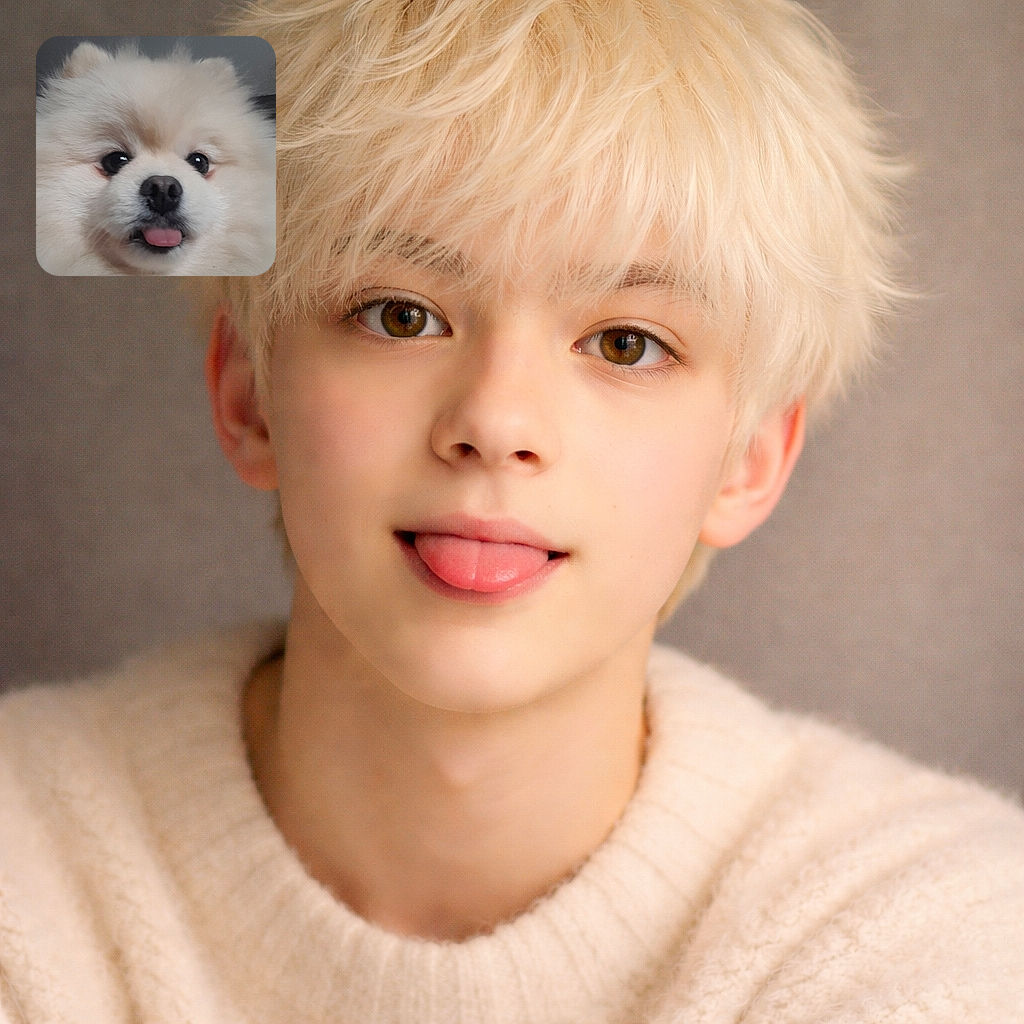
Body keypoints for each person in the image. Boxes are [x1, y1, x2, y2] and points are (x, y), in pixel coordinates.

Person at [2, 0, 1022, 1020]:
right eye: (400, 315)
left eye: (625, 341)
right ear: (247, 394)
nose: (495, 422)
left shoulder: (942, 929)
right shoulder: (26, 864)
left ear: (748, 459)